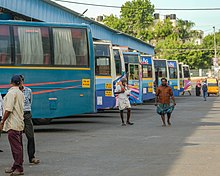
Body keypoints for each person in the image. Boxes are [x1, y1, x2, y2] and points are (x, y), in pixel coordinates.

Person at [0, 75, 24, 175]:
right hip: (19, 122)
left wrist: (2, 121)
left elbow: (8, 109)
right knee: (18, 145)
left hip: (12, 123)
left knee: (16, 147)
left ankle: (19, 168)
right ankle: (15, 166)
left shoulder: (11, 93)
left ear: (11, 82)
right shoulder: (20, 92)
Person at [19, 75, 40, 164]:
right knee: (18, 138)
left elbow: (30, 102)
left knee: (30, 136)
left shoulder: (28, 90)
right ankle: (19, 159)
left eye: (21, 81)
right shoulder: (13, 92)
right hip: (18, 114)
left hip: (27, 113)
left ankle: (32, 157)